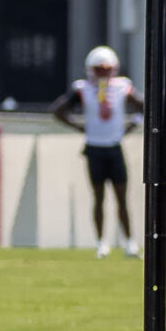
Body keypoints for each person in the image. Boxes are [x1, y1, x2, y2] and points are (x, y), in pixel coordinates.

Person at [50, 45, 145, 258]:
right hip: (94, 147)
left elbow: (144, 106)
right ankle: (101, 242)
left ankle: (129, 242)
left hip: (114, 146)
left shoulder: (122, 87)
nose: (103, 73)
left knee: (121, 197)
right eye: (99, 69)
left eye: (106, 68)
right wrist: (79, 126)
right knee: (99, 196)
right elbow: (58, 109)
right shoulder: (82, 89)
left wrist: (132, 124)